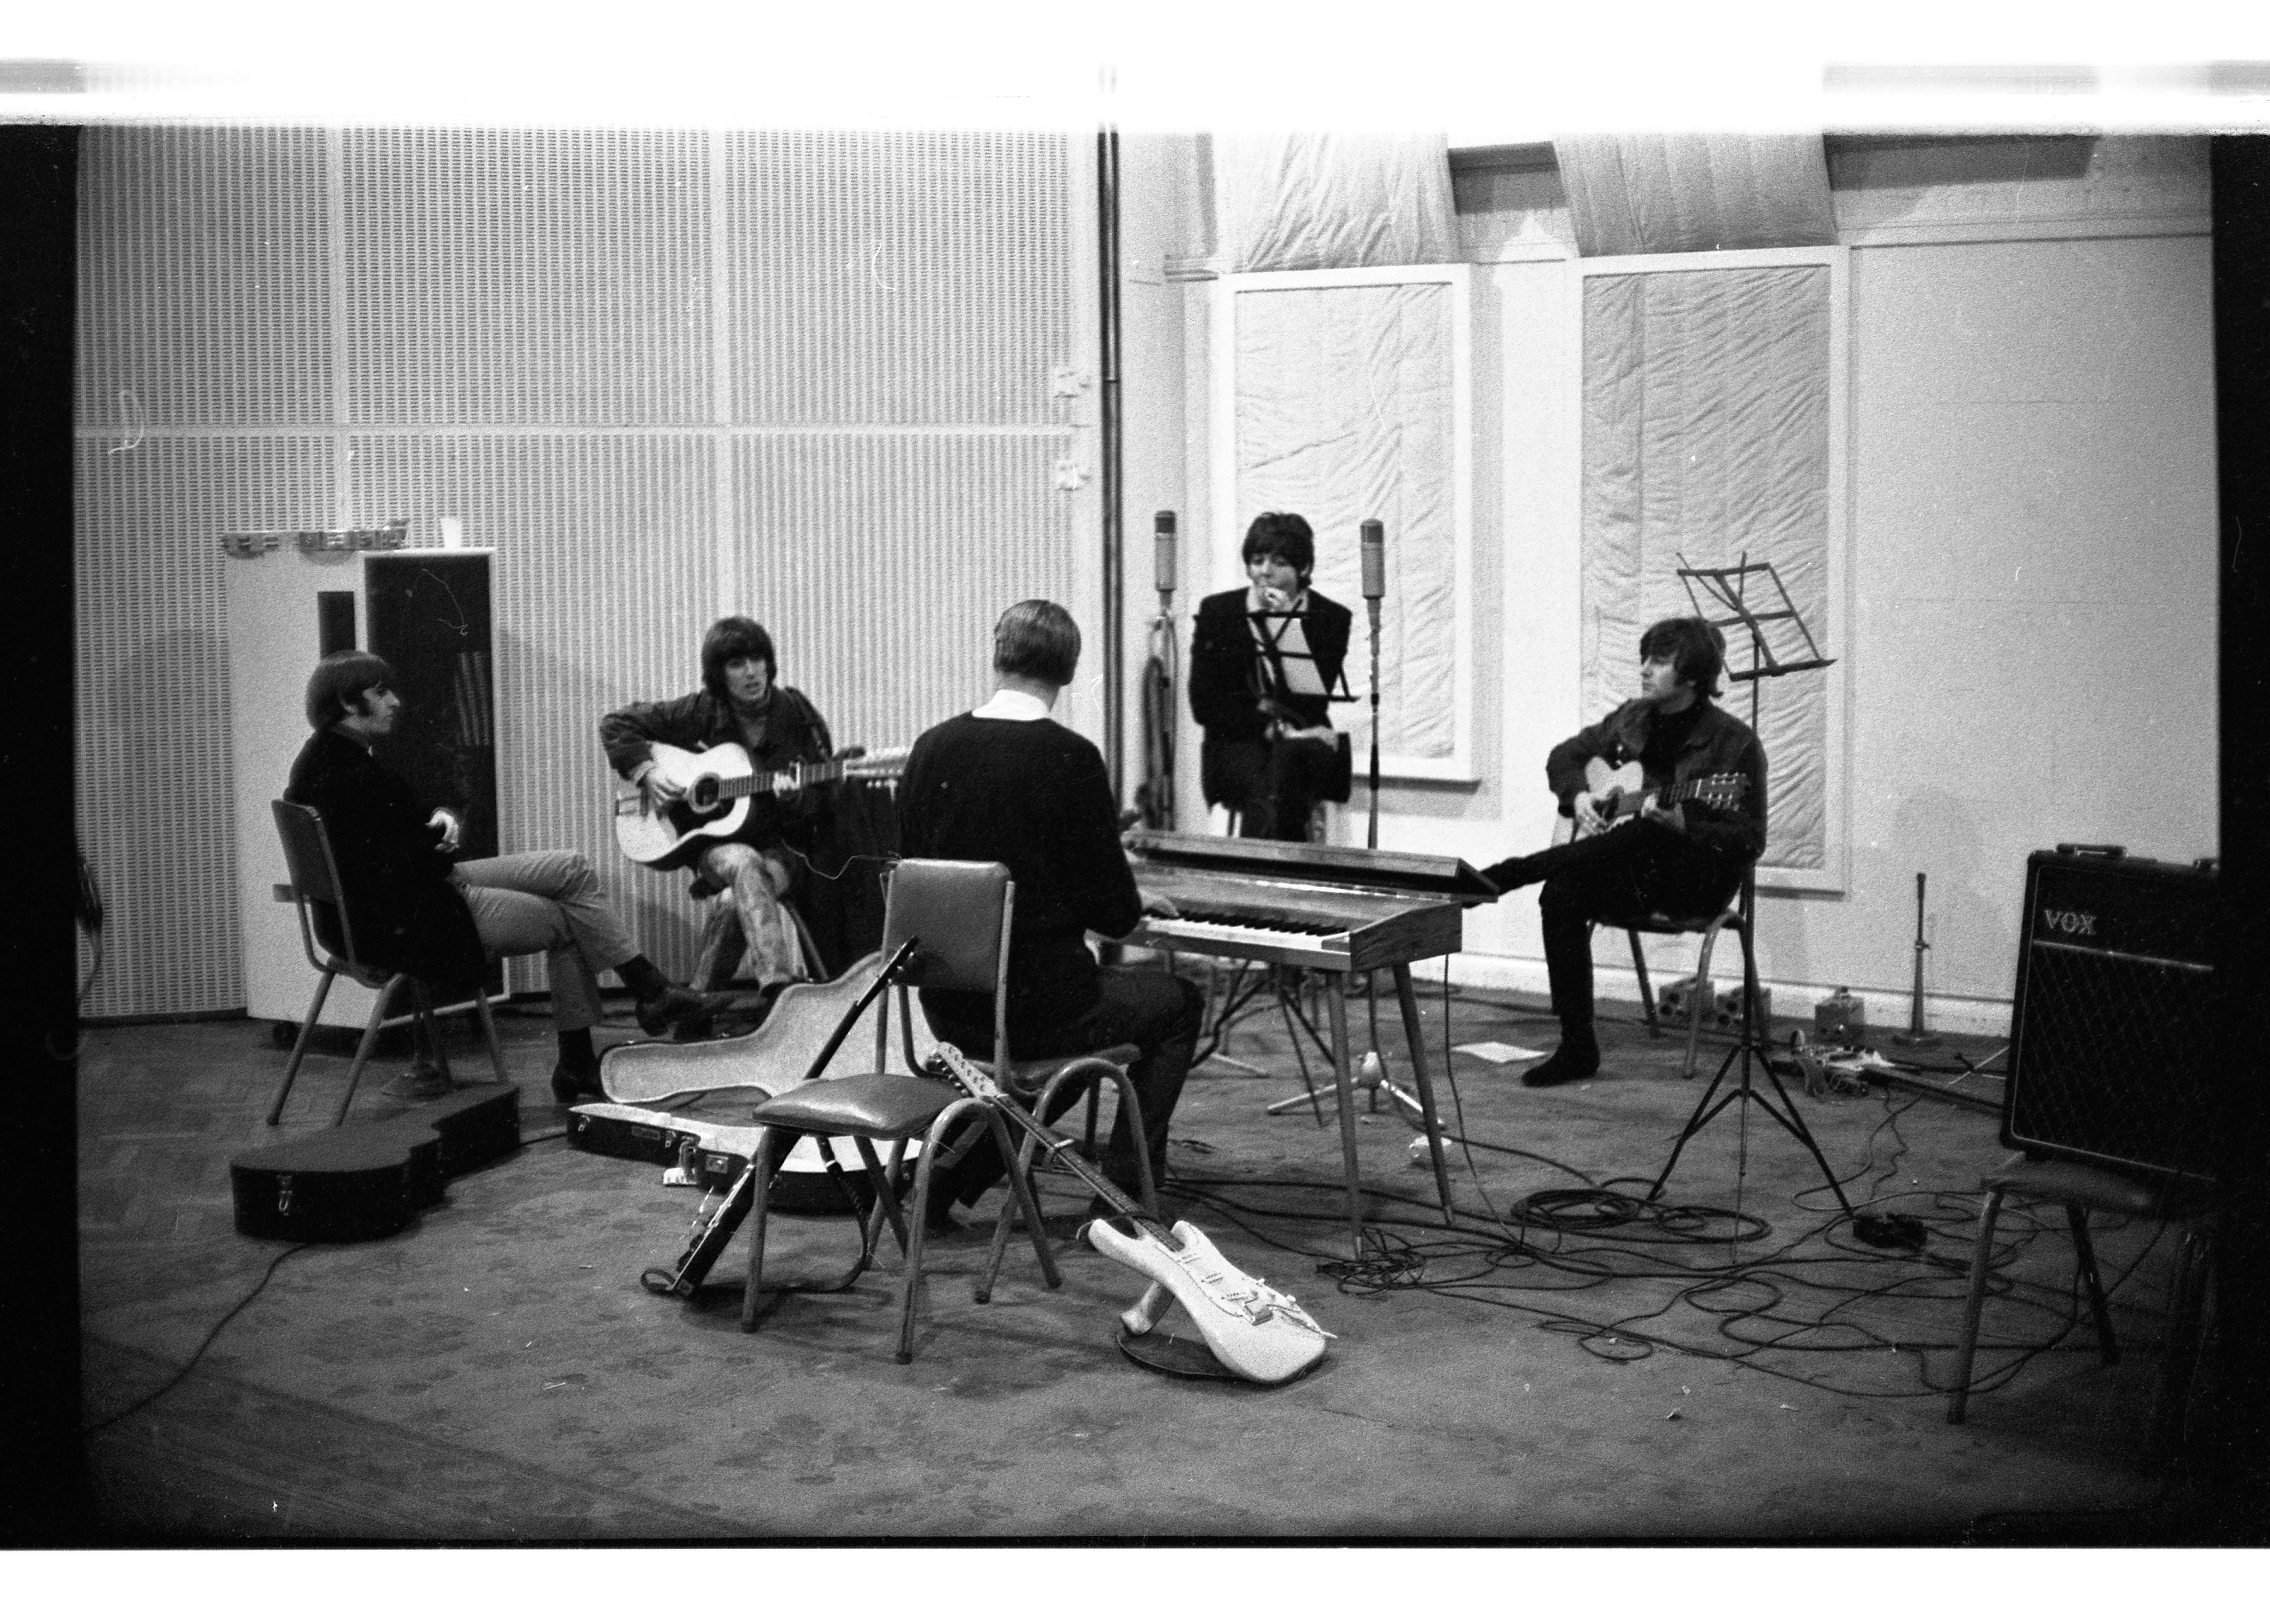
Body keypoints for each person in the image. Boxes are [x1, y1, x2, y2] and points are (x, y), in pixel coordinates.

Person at [287, 651, 725, 1104]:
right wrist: (439, 842)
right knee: (570, 921)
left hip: (407, 900)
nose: (395, 701)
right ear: (347, 701)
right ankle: (584, 1059)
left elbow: (395, 842)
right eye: (381, 693)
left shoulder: (325, 761)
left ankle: (649, 991)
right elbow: (409, 859)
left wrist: (434, 828)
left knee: (571, 867)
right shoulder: (352, 774)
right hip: (415, 919)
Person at [898, 600, 1206, 1223]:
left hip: (946, 1009)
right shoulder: (1070, 757)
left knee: (1057, 1046)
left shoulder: (930, 748)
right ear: (1069, 669)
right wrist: (1123, 887)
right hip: (1042, 1009)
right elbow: (1117, 916)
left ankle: (947, 1180)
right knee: (1173, 1004)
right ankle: (1125, 1198)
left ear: (997, 653)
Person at [1476, 616, 1767, 1088]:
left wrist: (1687, 826)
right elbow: (1564, 757)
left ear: (1693, 676)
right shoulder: (1632, 718)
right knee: (1562, 892)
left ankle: (1504, 875)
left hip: (1693, 883)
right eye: (1645, 658)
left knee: (1651, 833)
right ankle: (1577, 1046)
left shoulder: (1735, 743)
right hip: (1632, 872)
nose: (1645, 669)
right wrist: (1580, 798)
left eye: (1659, 661)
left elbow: (1752, 838)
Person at [600, 617, 835, 1027]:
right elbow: (616, 724)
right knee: (743, 861)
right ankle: (780, 993)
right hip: (718, 850)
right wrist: (648, 773)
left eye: (758, 659)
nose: (751, 672)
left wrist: (796, 799)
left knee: (734, 896)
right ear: (719, 674)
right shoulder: (702, 712)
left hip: (783, 851)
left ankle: (693, 1011)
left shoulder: (796, 714)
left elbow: (825, 802)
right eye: (737, 664)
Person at [1187, 511, 1353, 843]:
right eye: (1258, 560)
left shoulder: (1331, 619)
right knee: (1273, 773)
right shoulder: (1219, 613)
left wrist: (1287, 626)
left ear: (1303, 569)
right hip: (1237, 742)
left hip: (1305, 742)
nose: (1265, 571)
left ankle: (1262, 872)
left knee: (1285, 766)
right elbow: (1203, 704)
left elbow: (1309, 702)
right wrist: (1269, 726)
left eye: (1279, 562)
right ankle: (1279, 868)